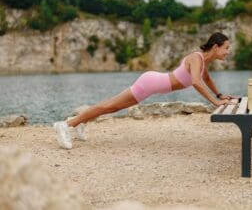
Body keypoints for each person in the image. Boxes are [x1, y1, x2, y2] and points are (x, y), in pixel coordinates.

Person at [54, 32, 239, 149]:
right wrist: (215, 102)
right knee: (110, 106)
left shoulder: (203, 61)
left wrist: (220, 95)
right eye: (226, 48)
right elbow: (197, 82)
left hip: (152, 84)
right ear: (215, 47)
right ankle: (65, 125)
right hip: (149, 83)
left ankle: (77, 121)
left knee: (112, 107)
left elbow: (206, 79)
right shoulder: (196, 57)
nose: (228, 52)